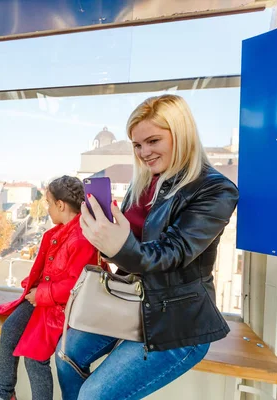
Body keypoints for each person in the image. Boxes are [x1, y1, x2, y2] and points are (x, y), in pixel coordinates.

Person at [55, 94, 239, 400]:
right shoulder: (144, 182)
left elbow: (173, 253)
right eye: (137, 145)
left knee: (93, 395)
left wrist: (118, 245)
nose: (144, 152)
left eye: (153, 141)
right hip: (132, 303)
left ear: (181, 135)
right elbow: (129, 249)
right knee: (66, 357)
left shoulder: (216, 189)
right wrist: (102, 238)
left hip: (177, 324)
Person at [0, 176, 101, 400]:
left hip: (61, 307)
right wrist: (35, 292)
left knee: (34, 357)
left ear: (61, 205)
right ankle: (4, 394)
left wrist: (39, 295)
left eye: (49, 203)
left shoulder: (81, 238)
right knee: (9, 330)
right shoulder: (62, 231)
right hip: (43, 299)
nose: (47, 209)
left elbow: (75, 285)